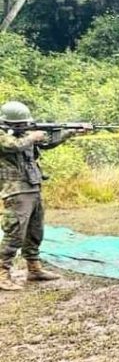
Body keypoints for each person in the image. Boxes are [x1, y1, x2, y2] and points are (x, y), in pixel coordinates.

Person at [0, 101, 79, 291]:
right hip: (15, 190)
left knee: (35, 230)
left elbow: (45, 143)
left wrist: (69, 132)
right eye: (20, 124)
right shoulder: (4, 136)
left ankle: (33, 268)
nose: (24, 127)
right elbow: (13, 146)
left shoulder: (23, 135)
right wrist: (32, 136)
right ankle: (2, 272)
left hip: (33, 186)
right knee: (15, 232)